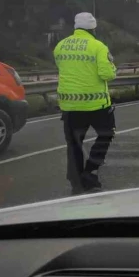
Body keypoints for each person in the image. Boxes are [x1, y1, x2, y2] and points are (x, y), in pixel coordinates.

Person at [54, 12, 117, 195]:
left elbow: (62, 67)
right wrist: (113, 68)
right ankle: (90, 173)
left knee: (74, 143)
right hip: (96, 104)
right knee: (106, 135)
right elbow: (107, 74)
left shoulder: (60, 46)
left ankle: (76, 182)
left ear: (75, 27)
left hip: (69, 106)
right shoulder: (98, 46)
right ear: (93, 28)